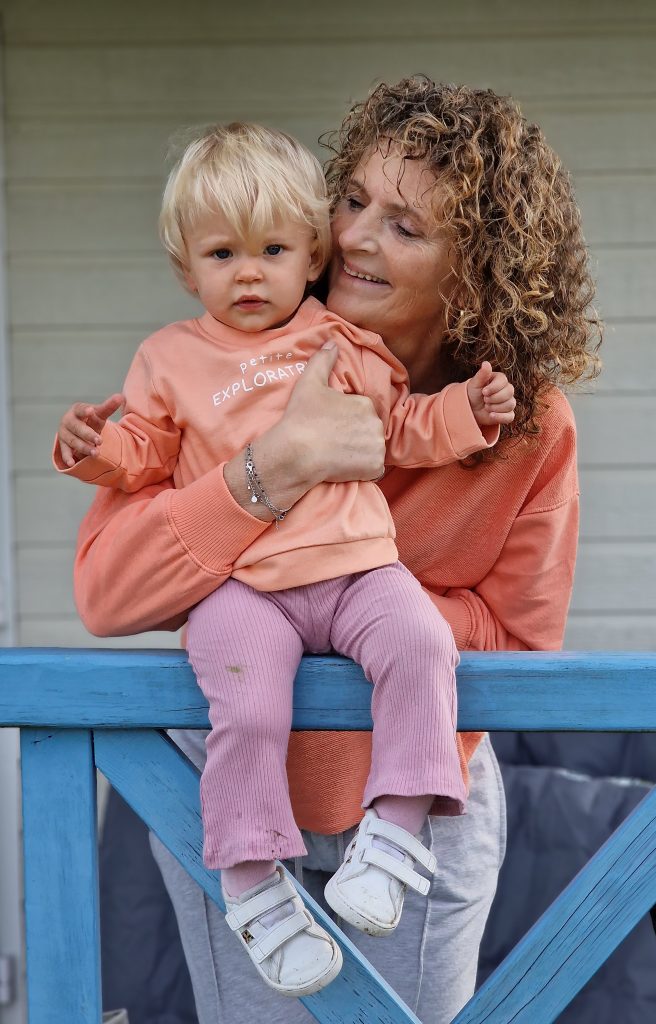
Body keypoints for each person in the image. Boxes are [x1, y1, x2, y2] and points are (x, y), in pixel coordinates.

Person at [69, 76, 601, 1023]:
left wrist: (319, 608)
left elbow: (514, 640)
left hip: (418, 803)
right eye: (352, 198)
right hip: (237, 780)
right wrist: (274, 469)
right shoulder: (230, 360)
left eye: (405, 225)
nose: (353, 236)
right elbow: (110, 593)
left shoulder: (528, 425)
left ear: (477, 265)